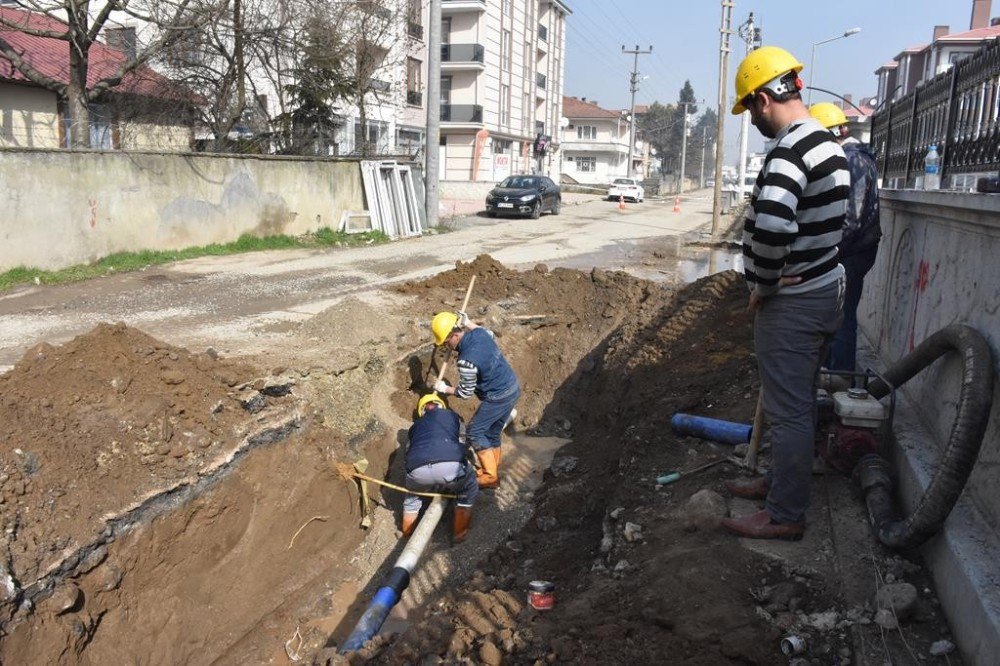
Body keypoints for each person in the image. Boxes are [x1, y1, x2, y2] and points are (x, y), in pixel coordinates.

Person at [719, 46, 850, 541]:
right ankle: (779, 483)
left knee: (788, 409)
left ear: (762, 98)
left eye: (750, 109)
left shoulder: (791, 149)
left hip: (794, 301)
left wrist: (765, 282)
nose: (752, 120)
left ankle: (784, 513)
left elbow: (772, 226)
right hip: (823, 286)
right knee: (796, 398)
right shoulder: (826, 141)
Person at [809, 102, 882, 373]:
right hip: (851, 249)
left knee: (841, 316)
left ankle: (840, 378)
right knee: (835, 314)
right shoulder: (851, 158)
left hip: (851, 252)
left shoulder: (853, 161)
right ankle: (831, 370)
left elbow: (852, 218)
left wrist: (827, 253)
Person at [431, 310, 520, 490]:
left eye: (447, 342)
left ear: (455, 335)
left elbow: (464, 393)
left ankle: (489, 477)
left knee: (474, 432)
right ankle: (493, 468)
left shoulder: (466, 361)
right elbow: (488, 333)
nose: (446, 346)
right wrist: (469, 322)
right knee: (493, 432)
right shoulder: (480, 333)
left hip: (498, 397)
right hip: (513, 387)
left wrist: (444, 389)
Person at [402, 393, 478, 543]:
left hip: (416, 469)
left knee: (412, 498)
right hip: (449, 464)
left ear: (421, 411)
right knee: (468, 488)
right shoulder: (452, 416)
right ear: (442, 406)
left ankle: (406, 534)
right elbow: (462, 441)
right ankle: (459, 535)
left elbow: (408, 453)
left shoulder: (414, 427)